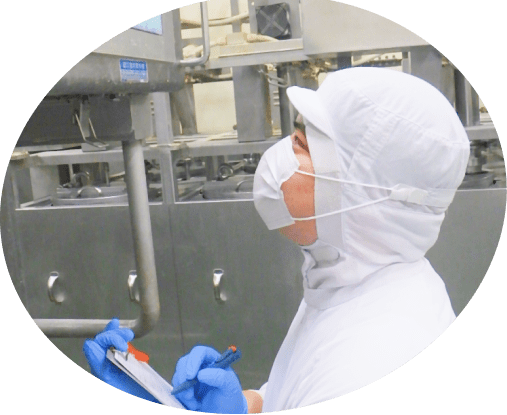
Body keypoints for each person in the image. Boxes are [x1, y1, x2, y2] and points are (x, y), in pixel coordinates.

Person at [83, 67, 470, 412]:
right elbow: (293, 389)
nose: (281, 154)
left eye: (302, 144)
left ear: (365, 195)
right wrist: (245, 405)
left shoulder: (376, 359)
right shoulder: (353, 282)